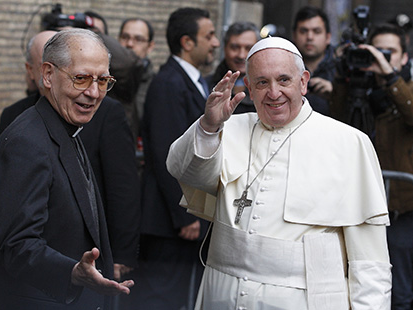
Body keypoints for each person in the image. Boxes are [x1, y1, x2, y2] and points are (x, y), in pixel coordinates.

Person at [166, 36, 392, 310]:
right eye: (262, 82)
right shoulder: (227, 128)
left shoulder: (349, 143)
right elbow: (182, 170)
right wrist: (208, 127)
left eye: (284, 80)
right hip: (220, 296)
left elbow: (370, 261)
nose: (273, 93)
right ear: (248, 88)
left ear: (304, 81)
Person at [0, 28, 134, 310]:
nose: (94, 93)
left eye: (103, 81)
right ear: (47, 75)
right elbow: (19, 245)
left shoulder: (65, 127)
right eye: (81, 78)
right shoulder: (27, 142)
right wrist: (72, 272)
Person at [119, 7, 220, 310]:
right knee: (158, 298)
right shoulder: (168, 84)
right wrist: (185, 215)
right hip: (169, 221)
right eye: (209, 35)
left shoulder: (194, 82)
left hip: (184, 217)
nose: (215, 42)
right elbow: (167, 153)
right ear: (187, 42)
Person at [332, 23, 413, 310]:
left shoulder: (405, 89)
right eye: (375, 50)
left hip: (401, 208)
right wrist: (342, 74)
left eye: (388, 52)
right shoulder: (359, 87)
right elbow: (335, 121)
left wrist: (390, 77)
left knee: (399, 292)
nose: (380, 57)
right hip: (355, 207)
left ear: (404, 57)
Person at [0, 30, 57, 137]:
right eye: (45, 67)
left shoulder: (90, 113)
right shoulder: (12, 116)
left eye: (60, 64)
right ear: (30, 70)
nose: (53, 74)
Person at [207, 21, 259, 114]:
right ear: (225, 48)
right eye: (235, 47)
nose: (241, 55)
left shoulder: (268, 90)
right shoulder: (205, 87)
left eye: (248, 48)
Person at [292, 5, 336, 116]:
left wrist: (335, 93)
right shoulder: (283, 67)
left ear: (328, 37)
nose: (310, 37)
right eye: (303, 31)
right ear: (294, 36)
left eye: (317, 31)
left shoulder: (341, 69)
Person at [118, 18, 156, 141]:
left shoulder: (156, 84)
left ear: (150, 46)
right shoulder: (106, 80)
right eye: (125, 37)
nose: (129, 44)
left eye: (138, 39)